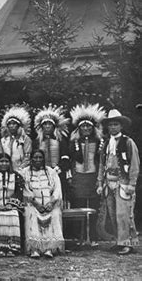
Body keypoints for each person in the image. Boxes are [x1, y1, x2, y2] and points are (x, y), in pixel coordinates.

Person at [97, 109, 140, 255]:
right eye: (111, 125)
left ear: (121, 126)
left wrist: (132, 184)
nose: (113, 127)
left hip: (124, 182)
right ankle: (118, 241)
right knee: (112, 213)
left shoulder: (128, 142)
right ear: (107, 127)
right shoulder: (106, 144)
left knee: (124, 214)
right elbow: (102, 164)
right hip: (109, 183)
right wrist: (99, 182)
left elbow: (134, 164)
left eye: (116, 124)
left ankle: (127, 242)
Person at [68, 103, 106, 245]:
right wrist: (70, 177)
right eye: (83, 126)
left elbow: (101, 160)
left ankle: (94, 237)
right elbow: (70, 159)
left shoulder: (99, 141)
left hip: (93, 176)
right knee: (79, 206)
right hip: (78, 177)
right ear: (79, 128)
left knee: (94, 207)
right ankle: (80, 237)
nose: (86, 128)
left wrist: (100, 179)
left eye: (88, 126)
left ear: (93, 128)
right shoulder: (73, 141)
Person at [21, 150, 65, 259]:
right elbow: (26, 190)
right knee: (30, 213)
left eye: (40, 157)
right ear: (31, 159)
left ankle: (49, 248)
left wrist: (51, 203)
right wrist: (36, 204)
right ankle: (34, 248)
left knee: (55, 213)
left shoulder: (51, 172)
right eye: (35, 157)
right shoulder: (25, 172)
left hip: (49, 203)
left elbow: (57, 189)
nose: (38, 160)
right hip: (33, 203)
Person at [0, 153, 25, 257]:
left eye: (6, 161)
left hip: (11, 206)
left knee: (15, 215)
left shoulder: (16, 176)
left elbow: (19, 192)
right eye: (1, 161)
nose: (4, 164)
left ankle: (12, 247)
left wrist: (11, 204)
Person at [33, 105, 71, 203]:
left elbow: (65, 157)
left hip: (58, 172)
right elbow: (33, 158)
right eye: (45, 124)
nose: (47, 126)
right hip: (41, 174)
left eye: (50, 124)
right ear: (41, 127)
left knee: (57, 197)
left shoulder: (60, 140)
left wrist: (58, 168)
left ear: (54, 126)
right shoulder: (37, 141)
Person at [0, 105, 32, 174]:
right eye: (9, 124)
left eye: (14, 124)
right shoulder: (3, 140)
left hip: (22, 171)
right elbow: (0, 156)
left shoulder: (25, 139)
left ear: (19, 125)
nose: (11, 126)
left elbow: (27, 157)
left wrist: (21, 169)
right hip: (6, 171)